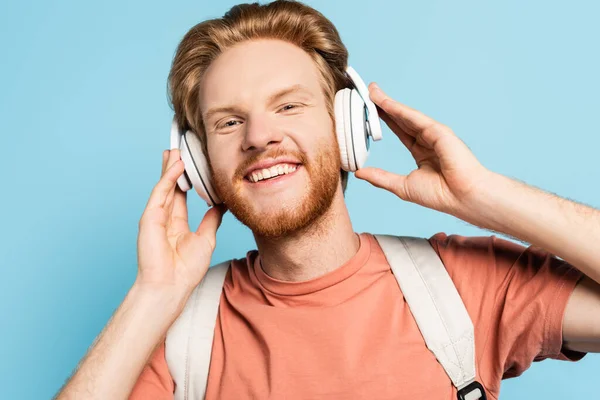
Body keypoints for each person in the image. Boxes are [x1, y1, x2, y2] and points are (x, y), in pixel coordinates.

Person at [54, 1, 600, 399]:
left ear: (348, 127)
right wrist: (154, 293)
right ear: (200, 166)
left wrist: (484, 196)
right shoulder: (178, 333)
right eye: (228, 122)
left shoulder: (462, 286)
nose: (258, 136)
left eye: (288, 107)